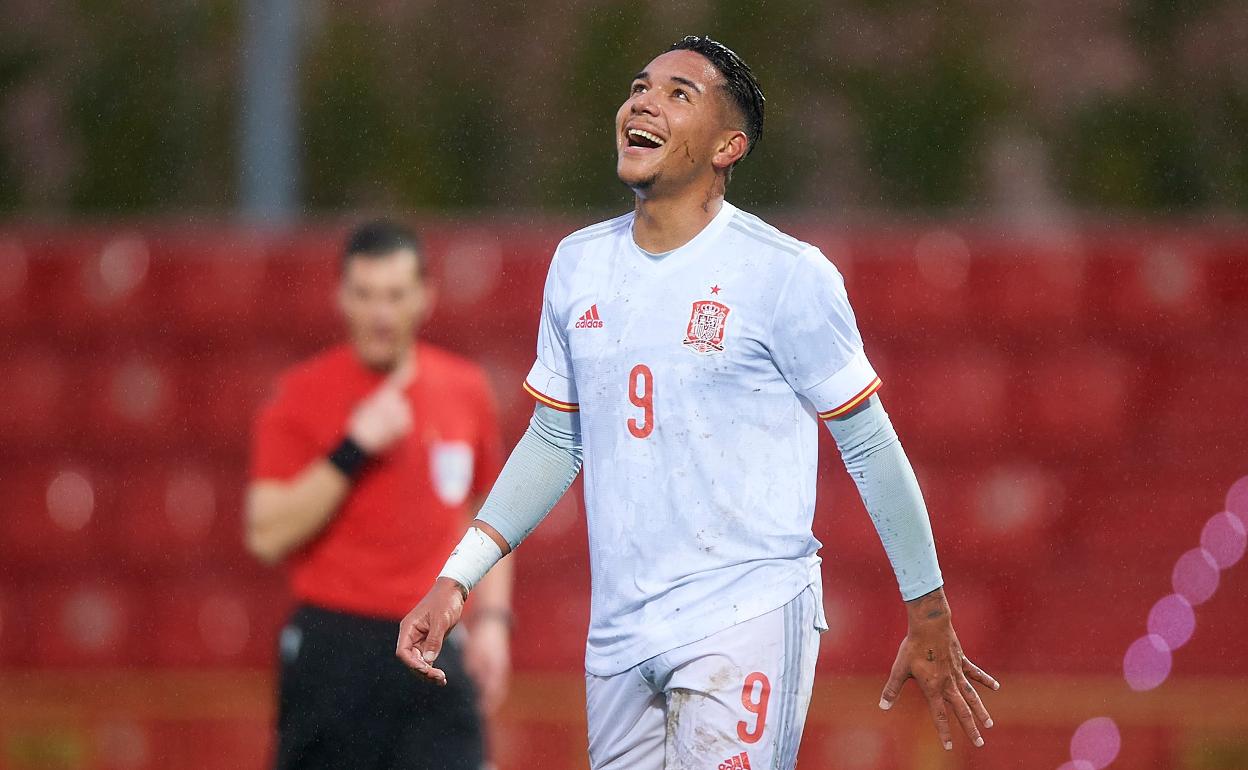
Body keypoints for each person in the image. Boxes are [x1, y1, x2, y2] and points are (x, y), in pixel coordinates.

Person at [396, 36, 998, 769]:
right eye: (640, 86)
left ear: (727, 146)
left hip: (742, 613)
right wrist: (458, 576)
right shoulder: (578, 264)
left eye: (679, 94)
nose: (643, 101)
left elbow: (868, 445)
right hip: (619, 634)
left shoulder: (784, 275)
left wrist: (928, 610)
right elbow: (558, 440)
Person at [246, 220, 512, 770]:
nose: (380, 314)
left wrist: (492, 623)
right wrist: (352, 449)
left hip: (434, 642)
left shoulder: (465, 390)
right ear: (341, 298)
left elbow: (490, 513)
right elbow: (267, 534)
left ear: (424, 297)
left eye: (394, 295)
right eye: (365, 295)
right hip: (336, 647)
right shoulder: (300, 395)